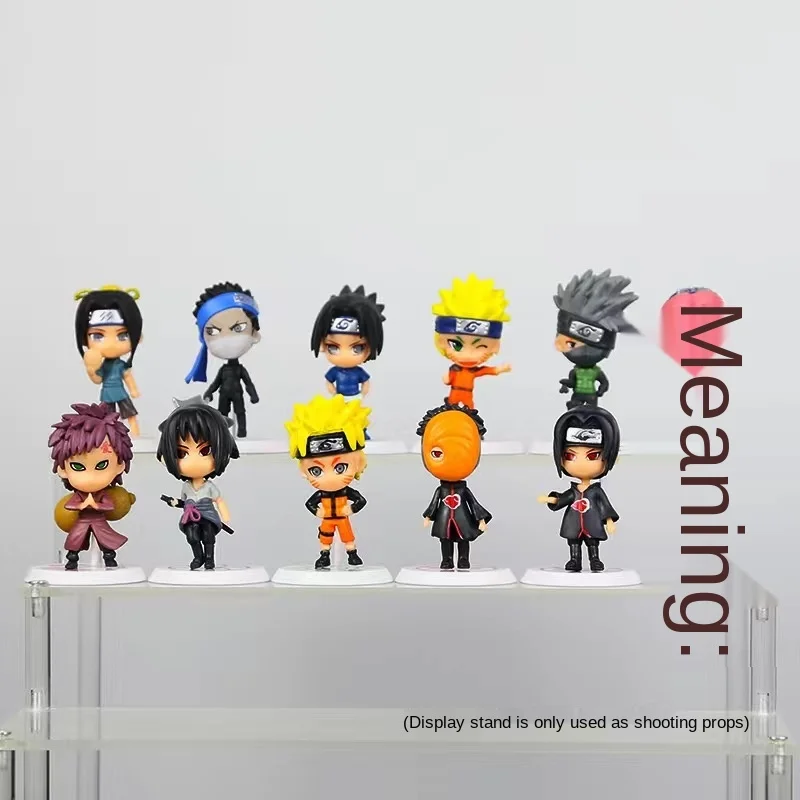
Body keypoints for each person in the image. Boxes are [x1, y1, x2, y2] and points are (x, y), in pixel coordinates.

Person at [286, 394, 371, 570]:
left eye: (340, 467)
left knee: (348, 537)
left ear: (359, 462)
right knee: (325, 537)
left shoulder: (346, 492)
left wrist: (351, 509)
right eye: (316, 471)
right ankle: (324, 556)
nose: (330, 477)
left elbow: (361, 500)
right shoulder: (321, 494)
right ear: (303, 471)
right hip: (327, 519)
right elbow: (310, 503)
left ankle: (352, 555)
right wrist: (318, 511)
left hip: (342, 517)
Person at [49, 403, 135, 570]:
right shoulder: (79, 496)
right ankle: (72, 560)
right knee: (75, 541)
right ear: (63, 469)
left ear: (119, 466)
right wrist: (82, 505)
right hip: (82, 521)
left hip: (99, 521)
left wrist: (95, 504)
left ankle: (110, 559)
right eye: (78, 467)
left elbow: (109, 505)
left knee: (106, 542)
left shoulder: (102, 494)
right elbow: (70, 505)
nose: (90, 477)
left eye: (102, 465)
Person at [157, 397, 239, 570]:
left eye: (205, 451)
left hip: (208, 514)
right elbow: (184, 502)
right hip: (190, 515)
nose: (194, 461)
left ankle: (209, 558)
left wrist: (225, 515)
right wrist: (176, 503)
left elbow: (219, 500)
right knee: (192, 535)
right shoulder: (186, 487)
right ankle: (198, 557)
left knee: (208, 535)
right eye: (181, 453)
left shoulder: (209, 487)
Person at [537, 405, 621, 573]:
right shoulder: (573, 491)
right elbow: (563, 499)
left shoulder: (596, 492)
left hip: (592, 523)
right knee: (573, 542)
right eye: (570, 456)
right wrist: (551, 499)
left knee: (592, 542)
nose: (581, 463)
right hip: (573, 523)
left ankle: (595, 559)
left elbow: (605, 506)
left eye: (593, 456)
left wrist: (609, 521)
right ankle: (574, 560)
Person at [417, 403, 492, 570]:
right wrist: (428, 516)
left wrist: (481, 519)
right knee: (445, 540)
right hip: (444, 519)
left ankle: (463, 559)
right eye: (437, 453)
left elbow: (473, 504)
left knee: (463, 539)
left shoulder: (463, 490)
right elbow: (434, 504)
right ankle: (447, 560)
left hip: (462, 518)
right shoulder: (441, 490)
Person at [552, 270, 638, 408]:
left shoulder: (595, 372)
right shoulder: (576, 372)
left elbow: (604, 383)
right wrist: (566, 384)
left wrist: (602, 389)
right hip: (579, 396)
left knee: (591, 413)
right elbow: (573, 382)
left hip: (591, 397)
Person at [186, 282, 260, 437]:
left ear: (255, 333)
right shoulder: (223, 370)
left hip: (237, 393)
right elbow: (216, 383)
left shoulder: (240, 370)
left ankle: (241, 432)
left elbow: (248, 382)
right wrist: (209, 392)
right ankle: (224, 436)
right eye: (213, 331)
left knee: (240, 412)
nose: (226, 338)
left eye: (238, 328)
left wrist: (253, 394)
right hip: (223, 394)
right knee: (222, 414)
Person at [432, 274, 511, 409]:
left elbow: (487, 371)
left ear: (495, 346)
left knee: (470, 410)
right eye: (456, 345)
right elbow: (448, 379)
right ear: (440, 342)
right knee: (450, 407)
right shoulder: (454, 370)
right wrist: (447, 379)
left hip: (467, 396)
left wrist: (499, 369)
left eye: (481, 346)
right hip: (454, 394)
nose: (468, 355)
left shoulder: (473, 371)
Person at [74, 285, 143, 436]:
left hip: (121, 392)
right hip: (106, 393)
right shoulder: (103, 365)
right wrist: (91, 369)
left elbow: (127, 376)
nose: (111, 343)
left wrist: (133, 389)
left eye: (123, 335)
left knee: (130, 413)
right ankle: (109, 436)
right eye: (98, 336)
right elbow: (98, 379)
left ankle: (135, 434)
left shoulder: (120, 365)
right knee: (106, 417)